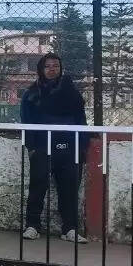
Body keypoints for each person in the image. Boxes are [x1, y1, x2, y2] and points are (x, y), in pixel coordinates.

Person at [21, 53, 89, 243]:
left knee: (69, 189)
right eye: (48, 66)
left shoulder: (71, 92)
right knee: (37, 187)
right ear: (41, 70)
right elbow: (26, 121)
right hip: (42, 147)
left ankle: (70, 229)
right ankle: (32, 226)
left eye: (56, 66)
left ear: (61, 69)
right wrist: (32, 147)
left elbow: (80, 120)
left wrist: (82, 145)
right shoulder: (32, 93)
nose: (52, 69)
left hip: (70, 148)